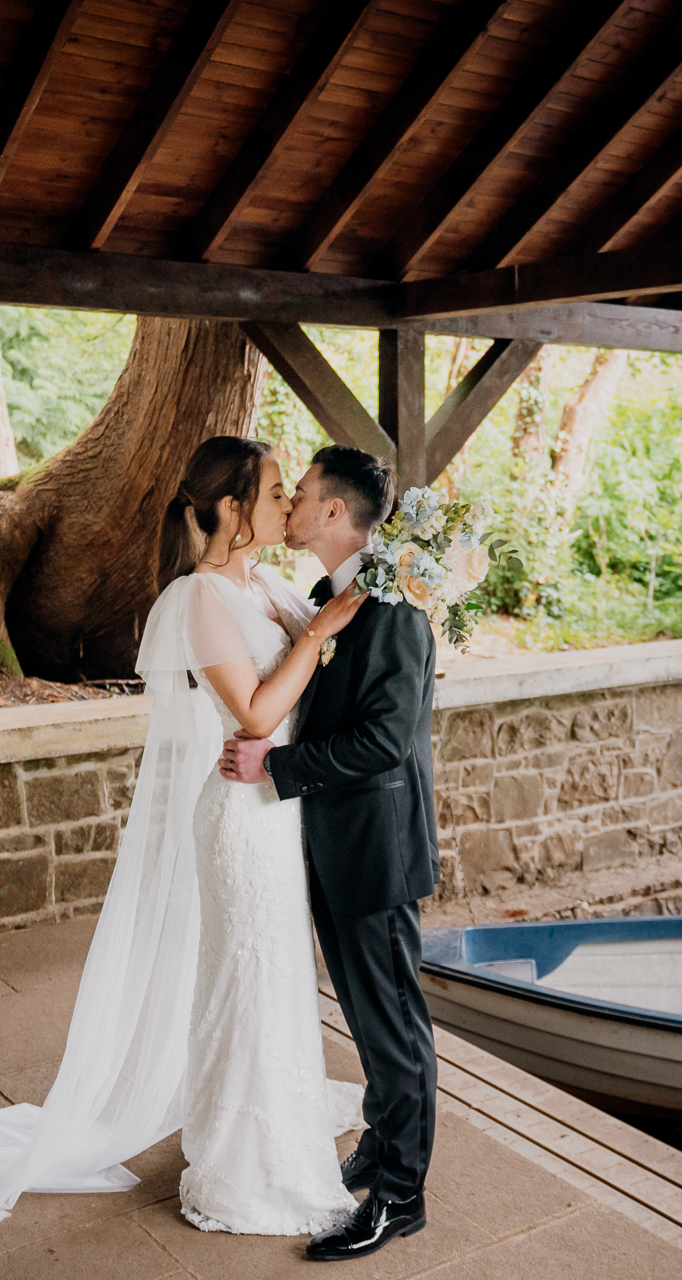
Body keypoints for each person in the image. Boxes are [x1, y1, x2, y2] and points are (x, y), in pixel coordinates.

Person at [0, 436, 368, 1272]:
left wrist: (344, 607)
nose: (288, 505)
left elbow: (317, 668)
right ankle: (241, 1168)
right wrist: (318, 631)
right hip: (238, 816)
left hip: (274, 809)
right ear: (230, 509)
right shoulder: (199, 598)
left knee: (275, 974)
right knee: (243, 977)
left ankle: (274, 1121)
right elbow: (252, 713)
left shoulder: (265, 584)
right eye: (277, 491)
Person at [219, 444, 440, 1263]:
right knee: (366, 1018)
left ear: (335, 514)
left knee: (393, 1028)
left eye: (301, 493)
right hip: (334, 846)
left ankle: (400, 1198)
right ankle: (382, 1150)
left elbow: (386, 742)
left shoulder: (395, 611)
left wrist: (277, 767)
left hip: (376, 852)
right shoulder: (332, 597)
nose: (292, 503)